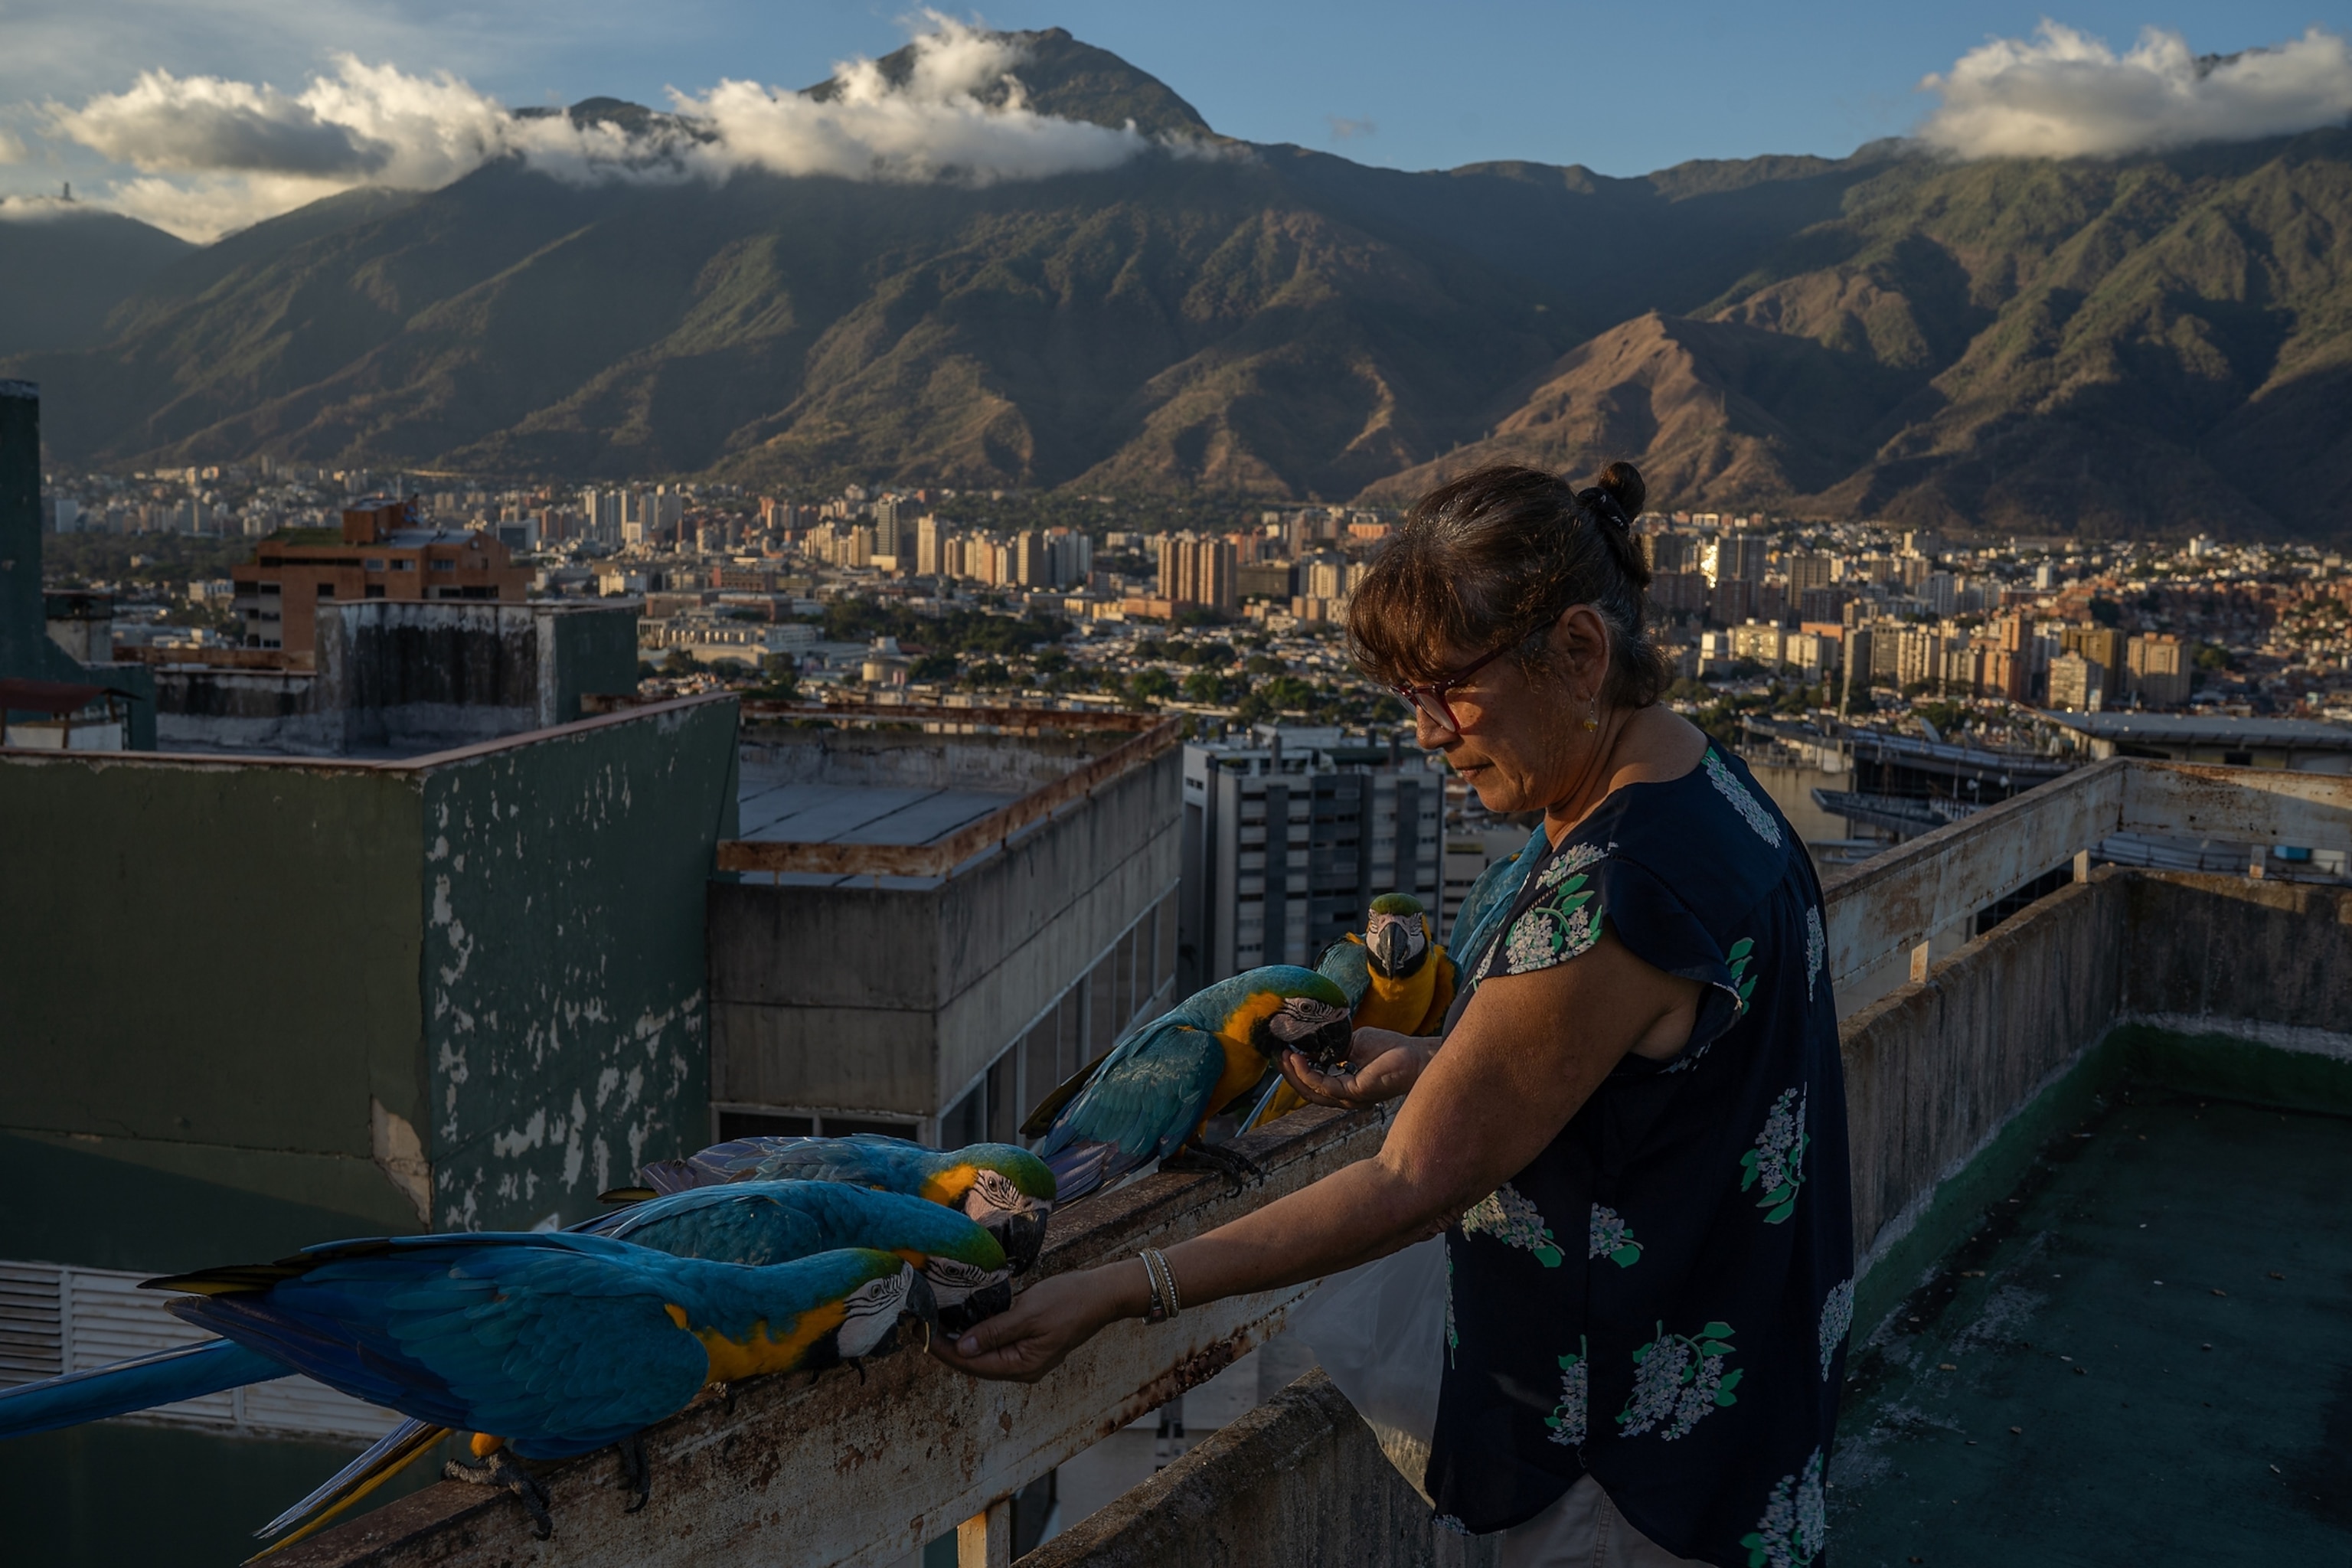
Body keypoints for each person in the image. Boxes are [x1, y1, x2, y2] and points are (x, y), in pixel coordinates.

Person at [934, 462, 1852, 1568]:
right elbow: (1648, 1077)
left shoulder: (1615, 896)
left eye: (1449, 691)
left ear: (1578, 652)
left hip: (1615, 1479)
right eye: (1408, 699)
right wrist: (1444, 1059)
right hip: (1733, 1424)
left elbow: (1407, 1184)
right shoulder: (1713, 797)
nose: (1427, 733)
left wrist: (1124, 1287)